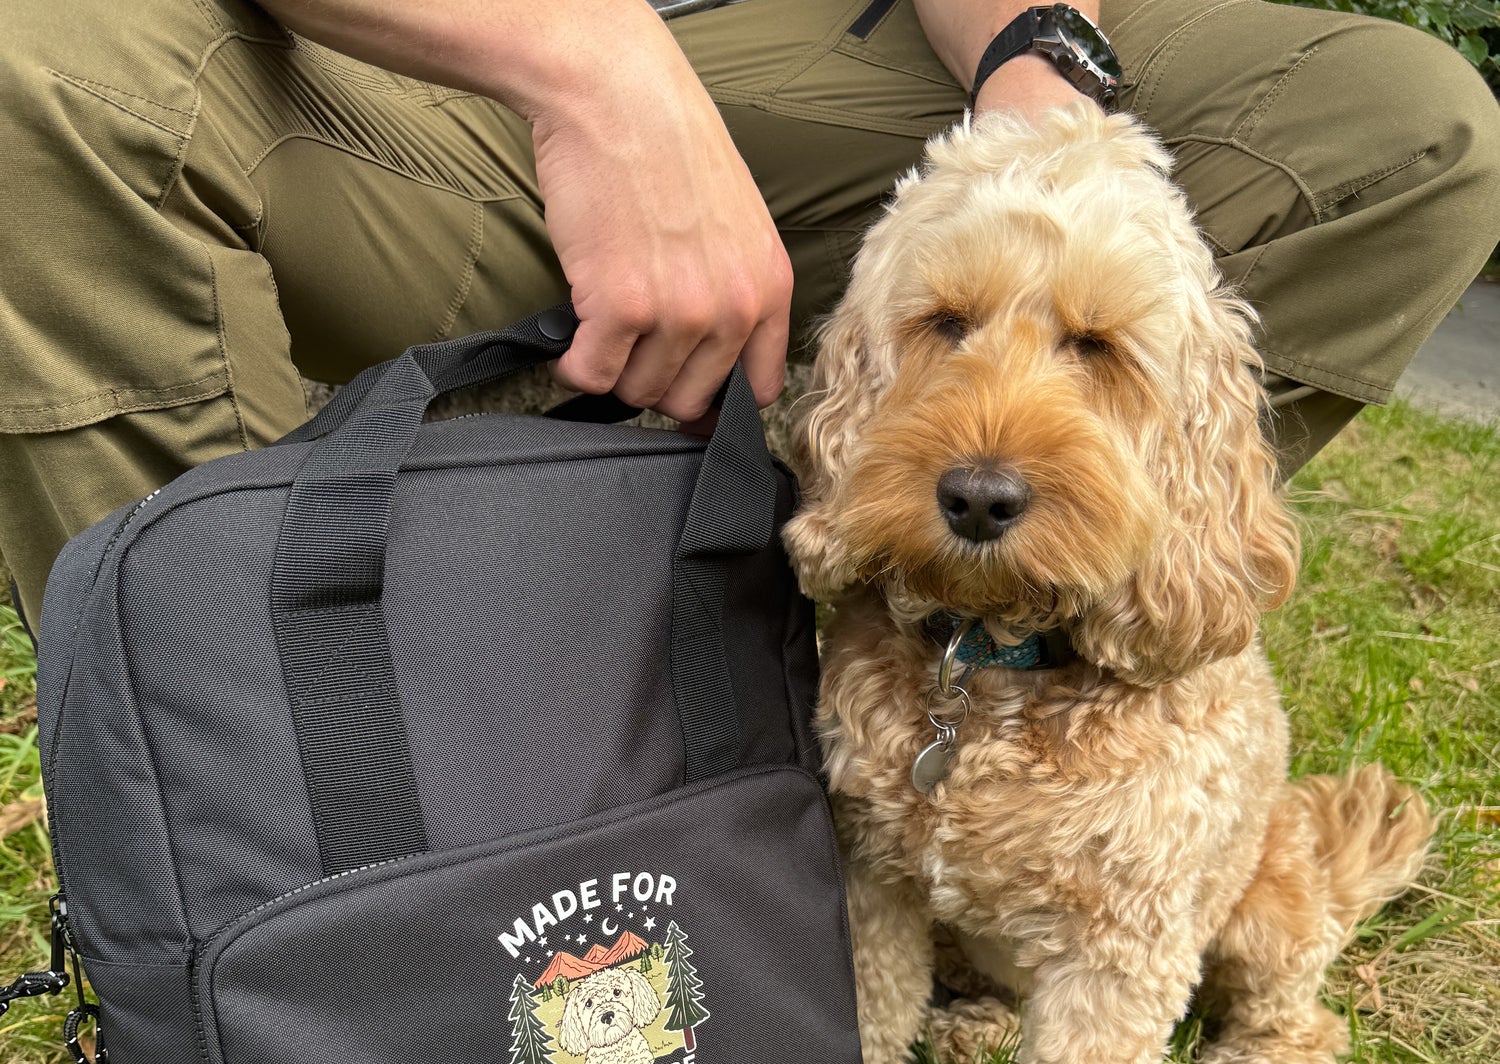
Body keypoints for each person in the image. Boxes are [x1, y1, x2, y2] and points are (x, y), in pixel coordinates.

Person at [2, 0, 1497, 626]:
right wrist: (595, 70)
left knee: (1409, 126)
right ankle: (249, 796)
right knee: (35, 66)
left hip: (822, 53)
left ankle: (974, 659)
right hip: (411, 59)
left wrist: (1038, 95)